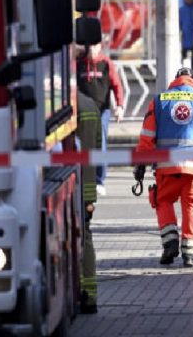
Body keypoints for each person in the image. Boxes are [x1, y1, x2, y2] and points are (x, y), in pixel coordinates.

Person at [134, 68, 193, 268]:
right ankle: (190, 255)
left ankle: (170, 243)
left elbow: (147, 135)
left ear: (175, 80)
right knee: (192, 206)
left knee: (163, 200)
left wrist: (140, 164)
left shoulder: (160, 100)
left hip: (167, 164)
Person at [76, 42, 125, 196]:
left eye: (94, 46)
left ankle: (99, 180)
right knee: (82, 144)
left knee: (100, 143)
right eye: (88, 46)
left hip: (102, 111)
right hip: (83, 111)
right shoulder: (79, 64)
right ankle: (84, 178)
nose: (91, 49)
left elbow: (117, 85)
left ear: (99, 47)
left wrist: (120, 106)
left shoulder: (106, 63)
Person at [76, 91, 101, 314]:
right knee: (85, 238)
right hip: (88, 186)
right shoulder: (90, 104)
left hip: (68, 182)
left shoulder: (58, 104)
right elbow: (98, 144)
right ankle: (90, 295)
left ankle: (77, 291)